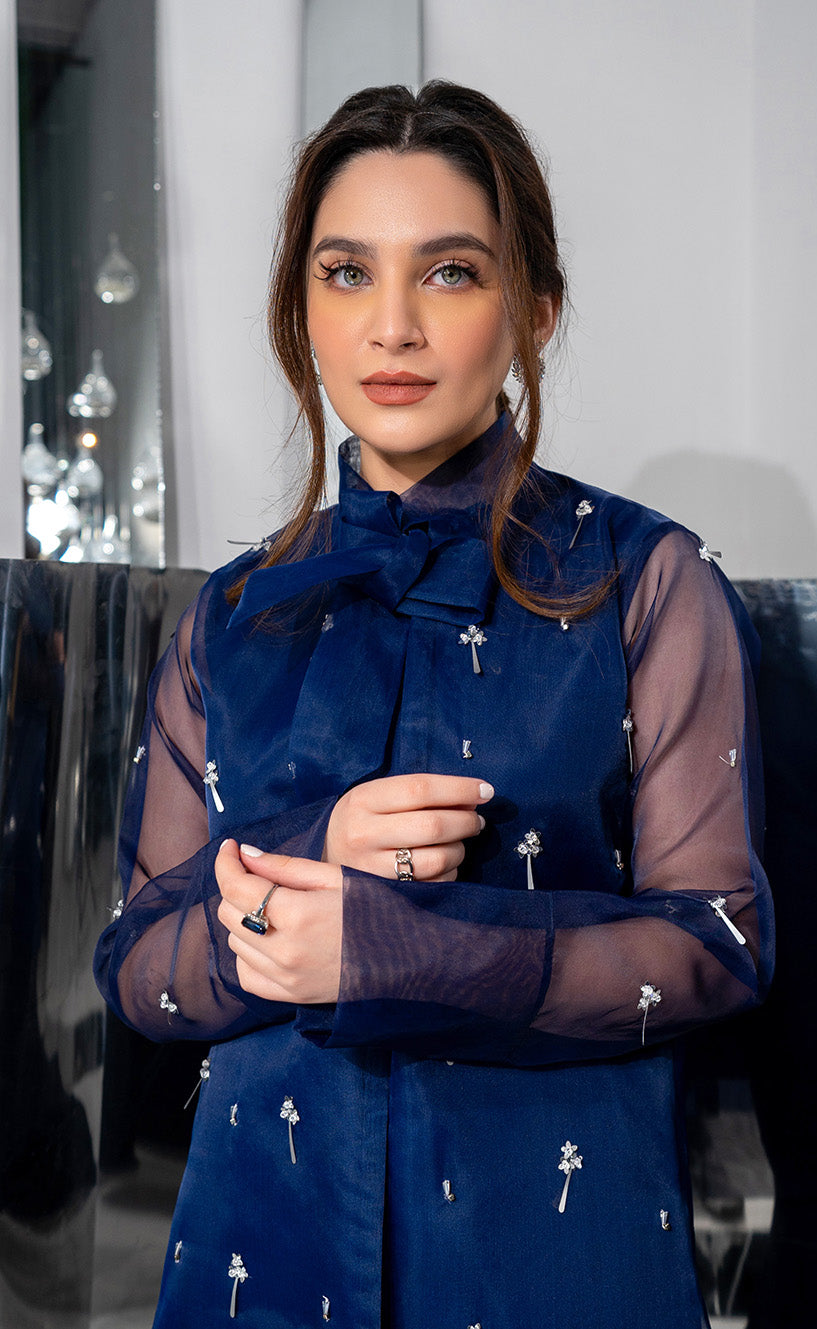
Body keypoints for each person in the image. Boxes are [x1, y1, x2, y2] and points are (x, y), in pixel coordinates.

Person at [94, 81, 773, 1328]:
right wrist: (313, 859)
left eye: (450, 273)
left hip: (552, 1266)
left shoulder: (648, 583)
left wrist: (405, 949)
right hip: (260, 1251)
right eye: (346, 273)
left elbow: (718, 947)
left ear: (533, 310)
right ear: (300, 312)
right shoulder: (229, 616)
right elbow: (139, 967)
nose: (391, 325)